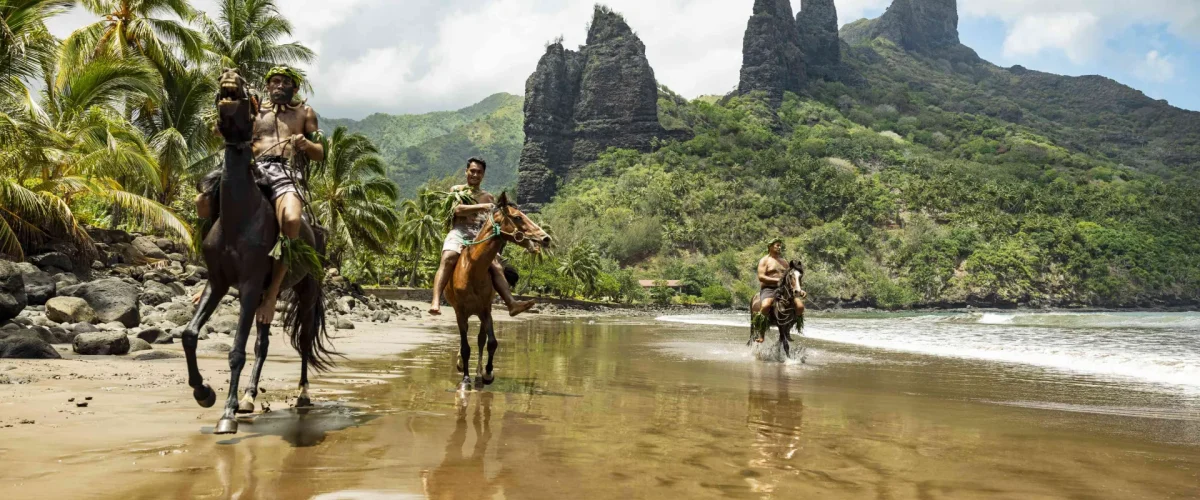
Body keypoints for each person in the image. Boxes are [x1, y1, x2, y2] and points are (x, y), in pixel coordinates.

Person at [190, 66, 324, 323]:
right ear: (267, 85)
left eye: (286, 82)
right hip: (250, 168)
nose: (279, 86)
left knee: (293, 221)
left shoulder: (305, 113)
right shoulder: (254, 109)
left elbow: (320, 152)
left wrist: (306, 144)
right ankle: (212, 275)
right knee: (203, 201)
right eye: (274, 81)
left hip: (286, 172)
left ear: (295, 88)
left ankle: (272, 293)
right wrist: (223, 127)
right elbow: (226, 127)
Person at [428, 158, 535, 317]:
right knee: (448, 257)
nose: (475, 174)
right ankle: (435, 301)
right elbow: (457, 210)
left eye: (479, 172)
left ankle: (511, 303)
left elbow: (493, 223)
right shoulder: (456, 190)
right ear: (466, 172)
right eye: (472, 171)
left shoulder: (489, 197)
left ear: (483, 175)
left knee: (496, 266)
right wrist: (482, 206)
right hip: (460, 231)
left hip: (479, 236)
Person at [751, 238, 805, 342]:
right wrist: (778, 280)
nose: (779, 247)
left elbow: (792, 277)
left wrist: (799, 289)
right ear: (770, 247)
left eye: (780, 245)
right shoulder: (764, 260)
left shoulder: (784, 262)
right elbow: (761, 277)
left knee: (800, 307)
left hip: (783, 289)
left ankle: (788, 330)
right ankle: (762, 335)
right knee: (766, 305)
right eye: (777, 245)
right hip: (768, 289)